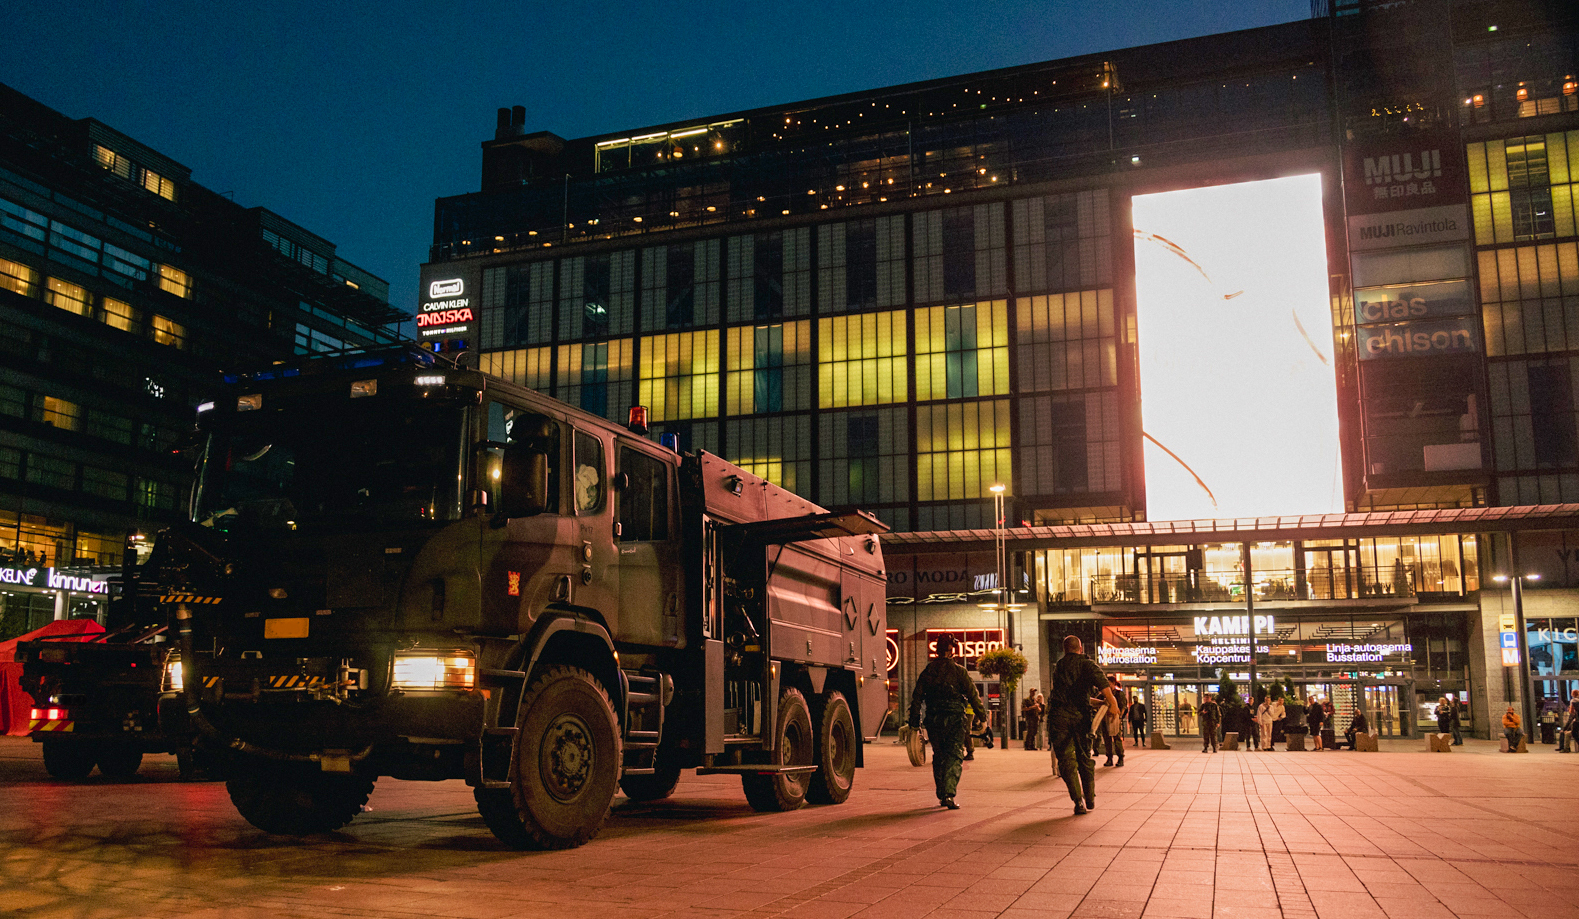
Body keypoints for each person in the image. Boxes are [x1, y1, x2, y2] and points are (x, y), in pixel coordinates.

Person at [907, 633, 987, 808]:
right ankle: (948, 794)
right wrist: (983, 719)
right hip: (955, 720)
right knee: (954, 755)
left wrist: (914, 723)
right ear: (952, 651)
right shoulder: (959, 671)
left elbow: (917, 697)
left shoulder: (928, 671)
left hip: (934, 720)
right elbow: (974, 696)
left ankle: (941, 792)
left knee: (939, 755)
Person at [1047, 635, 1118, 816]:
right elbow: (1102, 683)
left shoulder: (1059, 667)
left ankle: (1078, 801)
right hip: (1080, 718)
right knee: (1084, 758)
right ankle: (1090, 797)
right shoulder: (1087, 664)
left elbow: (1069, 696)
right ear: (1081, 648)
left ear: (1065, 649)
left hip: (1059, 718)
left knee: (1066, 761)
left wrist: (1097, 703)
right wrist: (1112, 703)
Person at [1100, 676, 1126, 767]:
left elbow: (1123, 706)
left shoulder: (1119, 694)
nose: (1108, 685)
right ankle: (1109, 758)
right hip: (1105, 719)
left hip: (1115, 719)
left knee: (1117, 738)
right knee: (1107, 739)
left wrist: (1119, 717)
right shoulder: (1103, 694)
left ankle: (1120, 757)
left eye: (1110, 683)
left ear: (1114, 684)